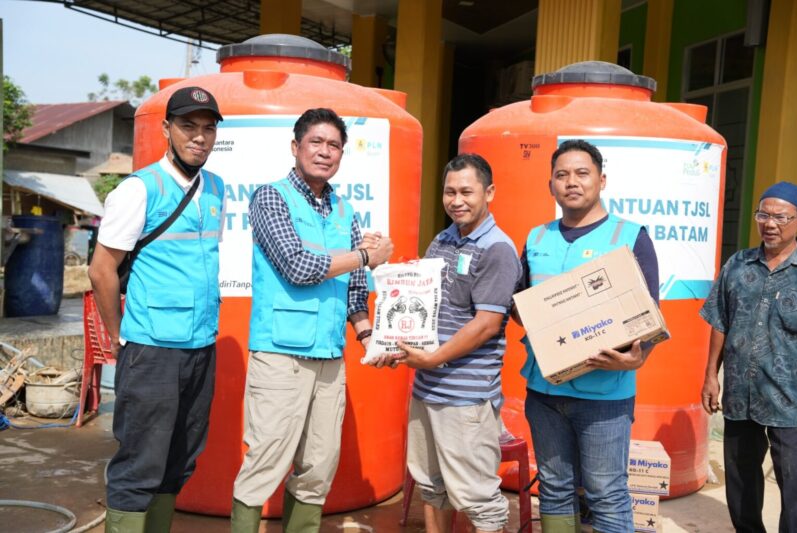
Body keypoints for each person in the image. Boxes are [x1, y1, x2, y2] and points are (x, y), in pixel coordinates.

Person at [230, 108, 394, 533]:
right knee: (265, 461)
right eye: (316, 143)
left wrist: (369, 335)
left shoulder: (345, 211)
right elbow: (298, 267)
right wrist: (364, 256)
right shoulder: (270, 197)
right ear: (296, 147)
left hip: (330, 358)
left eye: (334, 145)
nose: (325, 152)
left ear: (342, 153)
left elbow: (356, 288)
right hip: (281, 356)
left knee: (318, 467)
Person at [88, 86, 225, 533]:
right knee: (139, 464)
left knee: (179, 460)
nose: (199, 137)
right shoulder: (139, 189)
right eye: (188, 126)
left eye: (208, 128)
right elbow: (102, 270)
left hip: (201, 347)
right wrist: (118, 335)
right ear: (167, 129)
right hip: (151, 349)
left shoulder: (216, 188)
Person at [516, 139, 660, 532]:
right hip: (545, 391)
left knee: (606, 492)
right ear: (551, 186)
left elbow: (649, 314)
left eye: (582, 173)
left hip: (605, 396)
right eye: (562, 175)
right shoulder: (536, 238)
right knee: (555, 488)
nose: (571, 182)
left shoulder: (629, 237)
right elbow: (521, 306)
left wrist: (639, 355)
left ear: (602, 180)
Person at [387, 153, 521, 533]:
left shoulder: (497, 249)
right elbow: (428, 304)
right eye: (449, 192)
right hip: (428, 390)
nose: (456, 200)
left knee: (478, 499)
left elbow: (486, 324)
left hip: (466, 399)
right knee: (432, 486)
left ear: (489, 193)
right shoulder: (444, 239)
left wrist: (431, 358)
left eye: (466, 191)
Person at [700, 181, 797, 533]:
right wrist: (712, 375)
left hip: (793, 402)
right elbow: (720, 321)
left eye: (781, 217)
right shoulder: (738, 264)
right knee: (741, 480)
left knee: (795, 489)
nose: (770, 223)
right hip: (741, 394)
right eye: (763, 215)